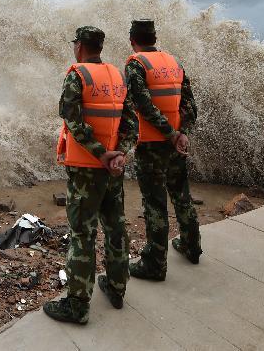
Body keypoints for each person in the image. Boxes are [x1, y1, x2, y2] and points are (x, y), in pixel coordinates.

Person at [43, 26, 137, 325]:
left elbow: (71, 118)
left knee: (82, 234)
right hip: (114, 168)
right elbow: (131, 122)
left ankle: (78, 306)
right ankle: (117, 288)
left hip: (87, 168)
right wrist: (119, 153)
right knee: (115, 226)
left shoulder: (78, 74)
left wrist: (100, 153)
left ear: (80, 46)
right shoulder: (118, 75)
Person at [124, 19, 201, 281]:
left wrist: (170, 135)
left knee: (155, 204)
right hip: (176, 143)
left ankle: (155, 264)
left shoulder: (136, 64)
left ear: (133, 39)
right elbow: (190, 105)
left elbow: (143, 105)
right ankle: (192, 246)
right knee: (182, 196)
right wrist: (182, 135)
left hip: (152, 146)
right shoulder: (173, 62)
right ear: (154, 38)